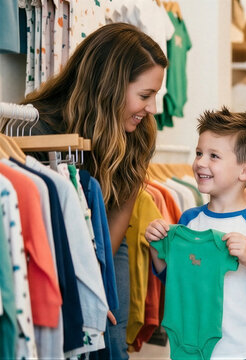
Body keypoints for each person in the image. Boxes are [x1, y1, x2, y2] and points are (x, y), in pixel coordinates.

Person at [18, 23, 167, 359]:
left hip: (106, 246)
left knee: (111, 343)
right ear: (110, 87)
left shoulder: (139, 134)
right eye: (145, 96)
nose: (153, 109)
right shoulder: (38, 130)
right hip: (49, 250)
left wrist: (94, 287)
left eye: (155, 95)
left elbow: (116, 219)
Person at [145, 108, 246, 360]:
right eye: (199, 153)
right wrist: (156, 248)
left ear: (245, 171)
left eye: (214, 156)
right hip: (191, 349)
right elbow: (177, 279)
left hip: (242, 352)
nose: (200, 162)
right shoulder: (190, 220)